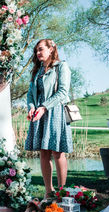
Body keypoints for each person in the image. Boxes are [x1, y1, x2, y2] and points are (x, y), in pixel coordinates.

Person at [25, 39, 73, 199]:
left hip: (54, 112)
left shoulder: (61, 67)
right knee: (43, 153)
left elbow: (63, 92)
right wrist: (32, 107)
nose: (38, 53)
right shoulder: (37, 71)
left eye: (40, 49)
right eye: (36, 51)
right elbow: (30, 94)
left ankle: (61, 191)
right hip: (39, 114)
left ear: (51, 49)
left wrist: (44, 106)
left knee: (57, 152)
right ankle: (48, 191)